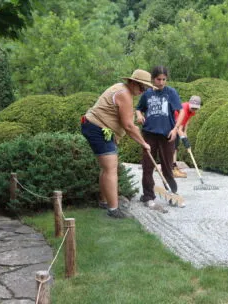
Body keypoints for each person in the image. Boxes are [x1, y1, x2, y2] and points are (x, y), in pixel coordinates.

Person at [81, 69, 154, 219]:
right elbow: (128, 126)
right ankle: (114, 209)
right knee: (111, 168)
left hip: (95, 126)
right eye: (141, 87)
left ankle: (104, 201)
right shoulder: (124, 94)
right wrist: (144, 143)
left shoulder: (121, 88)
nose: (142, 91)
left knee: (107, 168)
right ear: (132, 82)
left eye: (145, 89)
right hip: (97, 128)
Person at [136, 66, 185, 208]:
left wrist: (175, 129)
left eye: (164, 79)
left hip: (167, 135)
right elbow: (139, 108)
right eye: (158, 79)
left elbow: (180, 111)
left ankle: (172, 195)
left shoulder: (171, 92)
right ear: (153, 79)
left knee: (168, 167)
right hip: (149, 135)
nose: (161, 82)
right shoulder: (147, 94)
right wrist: (139, 115)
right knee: (147, 167)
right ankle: (148, 196)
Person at [172, 95, 202, 178]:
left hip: (177, 126)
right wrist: (185, 141)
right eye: (193, 108)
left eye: (196, 108)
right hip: (171, 125)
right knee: (173, 146)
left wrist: (185, 132)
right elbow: (178, 128)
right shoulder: (183, 109)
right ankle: (172, 169)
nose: (194, 110)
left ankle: (173, 167)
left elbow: (187, 121)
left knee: (175, 147)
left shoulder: (192, 111)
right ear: (189, 103)